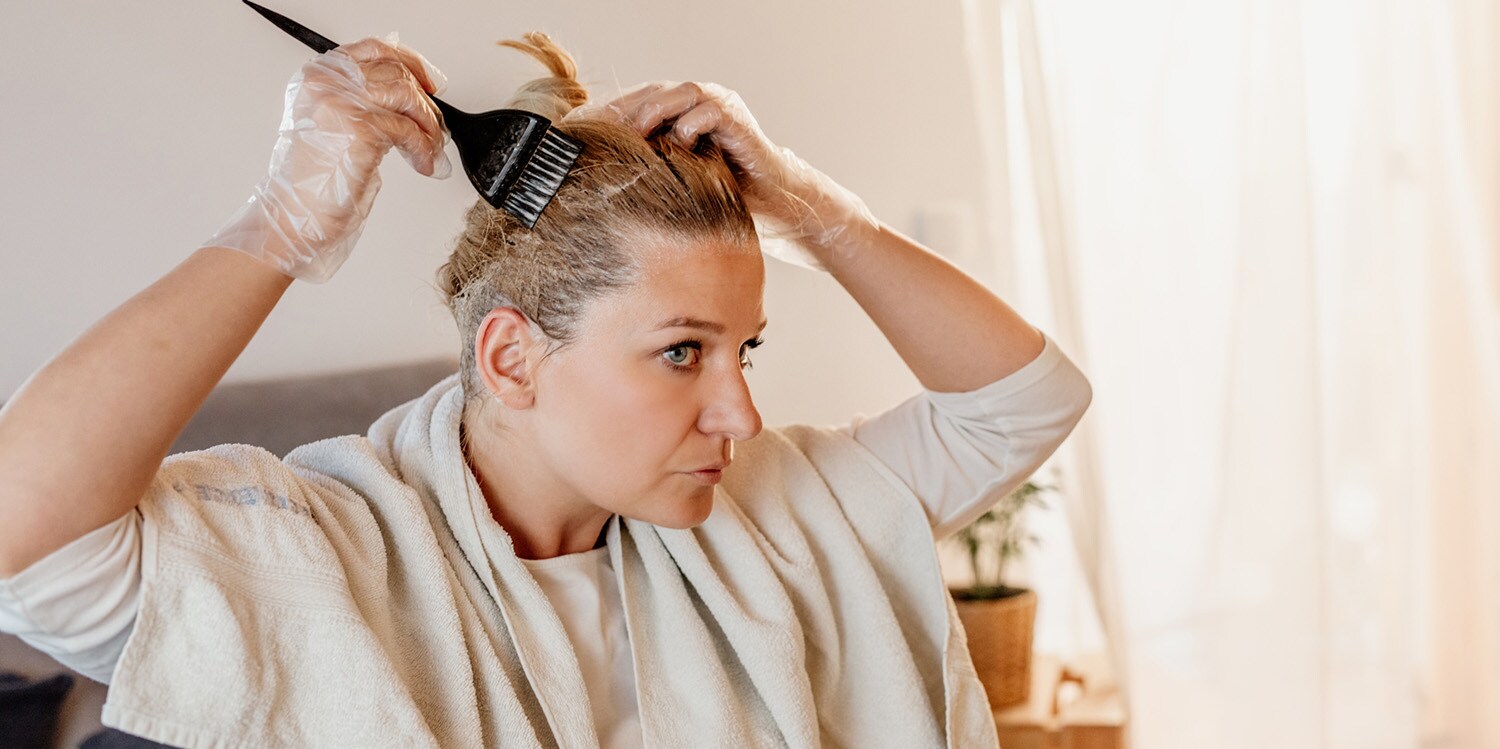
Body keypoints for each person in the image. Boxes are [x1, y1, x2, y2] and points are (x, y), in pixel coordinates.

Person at [0, 31, 1091, 748]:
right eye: (682, 351)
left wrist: (813, 209)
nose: (741, 412)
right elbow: (25, 526)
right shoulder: (310, 561)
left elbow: (1027, 397)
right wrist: (285, 220)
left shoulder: (784, 509)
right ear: (512, 357)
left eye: (743, 350)